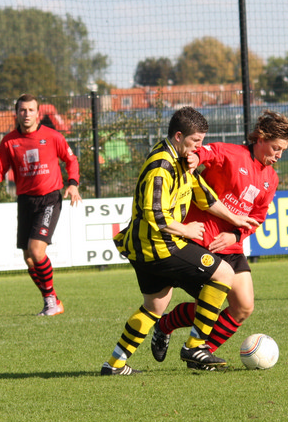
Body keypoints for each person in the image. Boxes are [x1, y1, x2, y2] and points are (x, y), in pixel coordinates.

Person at [101, 106, 260, 376]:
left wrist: (235, 219)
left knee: (155, 306)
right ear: (178, 136)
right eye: (195, 140)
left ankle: (114, 364)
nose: (199, 146)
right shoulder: (160, 166)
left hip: (148, 248)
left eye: (202, 141)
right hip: (160, 245)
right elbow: (155, 215)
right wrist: (186, 230)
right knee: (223, 273)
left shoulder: (182, 160)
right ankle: (195, 346)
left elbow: (205, 198)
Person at [149, 111, 288, 365]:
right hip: (201, 241)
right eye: (276, 148)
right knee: (208, 305)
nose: (279, 155)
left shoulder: (271, 178)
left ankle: (200, 352)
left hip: (231, 245)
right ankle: (165, 325)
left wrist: (235, 235)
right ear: (261, 138)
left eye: (283, 150)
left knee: (243, 307)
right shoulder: (233, 154)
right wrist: (196, 158)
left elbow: (257, 217)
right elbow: (208, 152)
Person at [0, 94, 82, 315]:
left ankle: (51, 302)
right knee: (29, 259)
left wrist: (73, 184)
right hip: (26, 200)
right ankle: (53, 301)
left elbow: (71, 160)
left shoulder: (52, 136)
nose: (26, 114)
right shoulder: (9, 141)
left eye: (31, 110)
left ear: (38, 113)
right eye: (22, 110)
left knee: (36, 251)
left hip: (49, 198)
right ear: (17, 113)